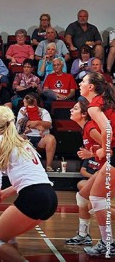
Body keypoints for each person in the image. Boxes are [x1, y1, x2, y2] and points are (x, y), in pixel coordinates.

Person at [0, 106, 57, 261]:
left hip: (34, 197)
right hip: (50, 196)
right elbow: (31, 178)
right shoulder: (22, 141)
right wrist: (4, 193)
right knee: (8, 238)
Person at [78, 72, 115, 256]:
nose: (80, 83)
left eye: (83, 81)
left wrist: (103, 149)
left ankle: (108, 244)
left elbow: (107, 129)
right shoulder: (104, 102)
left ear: (90, 87)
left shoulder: (94, 106)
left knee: (97, 198)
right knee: (95, 197)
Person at [65, 99, 103, 246]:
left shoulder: (91, 128)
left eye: (75, 108)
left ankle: (106, 241)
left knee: (95, 205)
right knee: (82, 198)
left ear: (83, 113)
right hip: (102, 168)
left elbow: (109, 149)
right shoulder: (86, 127)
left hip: (108, 168)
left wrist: (91, 154)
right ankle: (83, 235)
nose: (71, 110)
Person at [16, 93, 57, 171]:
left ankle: (48, 166)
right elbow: (21, 123)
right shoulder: (22, 110)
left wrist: (36, 123)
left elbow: (48, 124)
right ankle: (20, 166)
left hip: (40, 138)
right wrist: (37, 124)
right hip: (27, 137)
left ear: (35, 101)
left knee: (51, 139)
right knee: (19, 138)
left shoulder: (43, 111)